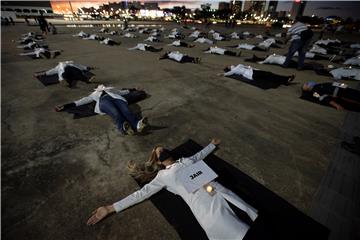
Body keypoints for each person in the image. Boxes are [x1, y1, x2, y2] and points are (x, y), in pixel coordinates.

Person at [87, 139, 259, 240]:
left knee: (255, 224)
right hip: (210, 210)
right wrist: (111, 208)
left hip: (226, 196)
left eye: (161, 148)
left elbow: (200, 155)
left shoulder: (185, 160)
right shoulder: (162, 177)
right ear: (159, 161)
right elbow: (140, 194)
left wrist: (211, 145)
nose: (160, 150)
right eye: (157, 151)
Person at [55, 85, 148, 135]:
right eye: (97, 86)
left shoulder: (111, 89)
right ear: (95, 89)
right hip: (104, 102)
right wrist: (65, 105)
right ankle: (123, 129)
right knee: (115, 113)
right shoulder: (94, 94)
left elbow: (123, 92)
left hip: (117, 98)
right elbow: (81, 101)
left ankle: (137, 125)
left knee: (126, 110)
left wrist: (135, 89)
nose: (100, 86)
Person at [221, 64, 295, 85]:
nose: (229, 64)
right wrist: (222, 74)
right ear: (229, 68)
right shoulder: (234, 69)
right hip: (252, 74)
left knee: (269, 77)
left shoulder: (238, 66)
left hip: (253, 73)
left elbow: (248, 67)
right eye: (228, 66)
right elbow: (229, 73)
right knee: (269, 75)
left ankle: (285, 80)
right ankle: (286, 79)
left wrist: (256, 68)